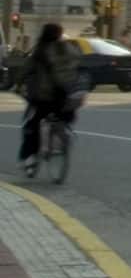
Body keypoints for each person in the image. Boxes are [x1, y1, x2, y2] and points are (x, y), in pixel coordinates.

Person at [17, 24, 82, 170]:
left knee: (31, 124)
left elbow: (26, 70)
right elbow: (79, 65)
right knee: (65, 117)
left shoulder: (41, 50)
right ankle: (63, 133)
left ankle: (30, 157)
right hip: (66, 96)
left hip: (44, 98)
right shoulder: (69, 49)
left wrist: (18, 83)